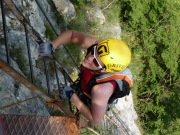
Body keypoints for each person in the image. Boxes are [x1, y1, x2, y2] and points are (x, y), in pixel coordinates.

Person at [38, 30, 132, 124]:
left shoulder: (101, 90)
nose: (89, 58)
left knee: (84, 95)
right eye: (93, 52)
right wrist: (53, 45)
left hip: (92, 96)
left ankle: (80, 95)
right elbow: (72, 35)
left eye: (96, 62)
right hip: (87, 81)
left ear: (104, 70)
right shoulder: (100, 49)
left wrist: (73, 97)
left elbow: (95, 119)